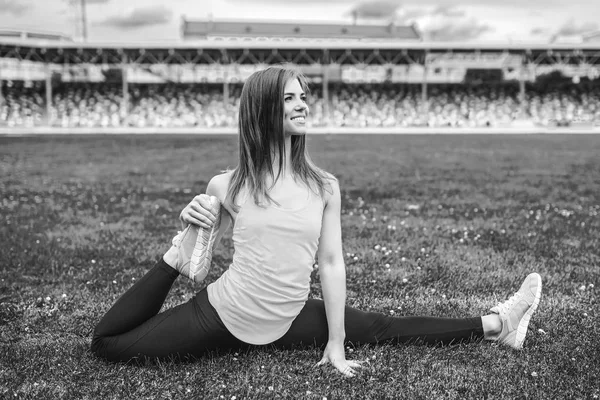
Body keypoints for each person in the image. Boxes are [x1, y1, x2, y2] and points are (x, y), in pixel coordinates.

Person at [91, 66, 542, 377]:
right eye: (289, 98)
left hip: (289, 316)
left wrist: (337, 341)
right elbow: (201, 262)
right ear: (264, 109)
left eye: (303, 95)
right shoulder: (224, 185)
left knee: (383, 327)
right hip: (223, 314)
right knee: (109, 344)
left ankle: (498, 325)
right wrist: (191, 231)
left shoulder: (325, 185)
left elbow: (330, 263)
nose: (302, 104)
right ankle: (168, 253)